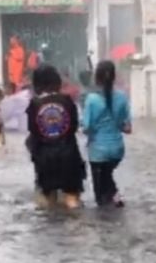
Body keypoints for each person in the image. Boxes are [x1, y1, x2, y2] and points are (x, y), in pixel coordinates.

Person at [26, 65, 85, 210]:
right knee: (71, 200)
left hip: (45, 159)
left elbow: (33, 131)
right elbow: (74, 127)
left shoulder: (34, 104)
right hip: (69, 156)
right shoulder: (67, 101)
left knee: (48, 204)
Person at [82, 60, 131, 208]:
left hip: (98, 151)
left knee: (100, 197)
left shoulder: (91, 100)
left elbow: (86, 127)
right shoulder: (122, 98)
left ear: (97, 78)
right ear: (113, 76)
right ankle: (114, 198)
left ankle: (115, 198)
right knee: (107, 175)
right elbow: (127, 128)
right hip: (117, 150)